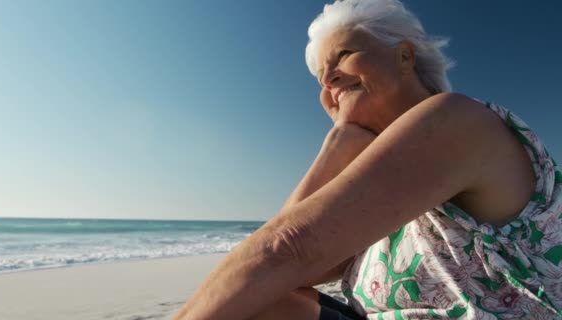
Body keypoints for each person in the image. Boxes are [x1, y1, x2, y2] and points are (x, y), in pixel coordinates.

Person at [173, 0, 562, 319]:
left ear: (405, 56)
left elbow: (287, 249)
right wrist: (341, 141)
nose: (329, 80)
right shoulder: (381, 184)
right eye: (321, 77)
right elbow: (284, 272)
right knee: (264, 301)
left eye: (343, 55)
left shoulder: (455, 121)